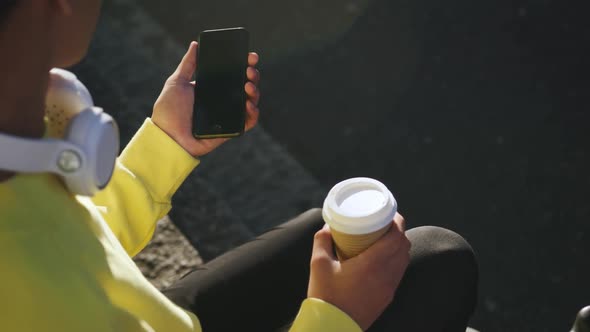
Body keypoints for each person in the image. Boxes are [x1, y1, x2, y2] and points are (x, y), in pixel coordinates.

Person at [0, 0, 478, 331]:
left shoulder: (17, 138)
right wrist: (336, 316)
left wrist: (167, 145)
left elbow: (67, 244)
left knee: (322, 231)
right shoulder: (36, 300)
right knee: (438, 259)